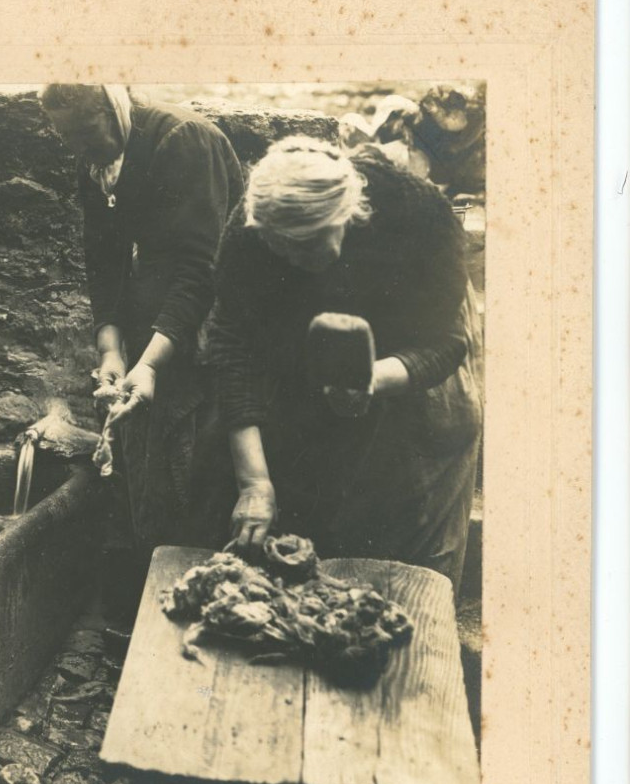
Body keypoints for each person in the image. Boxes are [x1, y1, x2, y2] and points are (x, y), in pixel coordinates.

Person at [203, 136, 482, 590]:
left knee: (411, 493)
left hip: (410, 341)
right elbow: (235, 346)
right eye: (284, 251)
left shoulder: (418, 215)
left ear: (346, 216)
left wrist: (368, 379)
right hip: (307, 336)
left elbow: (445, 340)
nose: (296, 262)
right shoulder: (249, 232)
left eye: (309, 248)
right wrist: (254, 482)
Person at [38, 84, 243, 550]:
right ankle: (146, 578)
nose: (78, 148)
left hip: (212, 318)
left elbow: (200, 267)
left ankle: (189, 574)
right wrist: (111, 349)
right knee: (146, 463)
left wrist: (149, 363)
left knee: (195, 462)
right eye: (65, 137)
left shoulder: (184, 141)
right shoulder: (97, 161)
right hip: (157, 319)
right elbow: (103, 259)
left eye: (85, 132)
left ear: (113, 108)